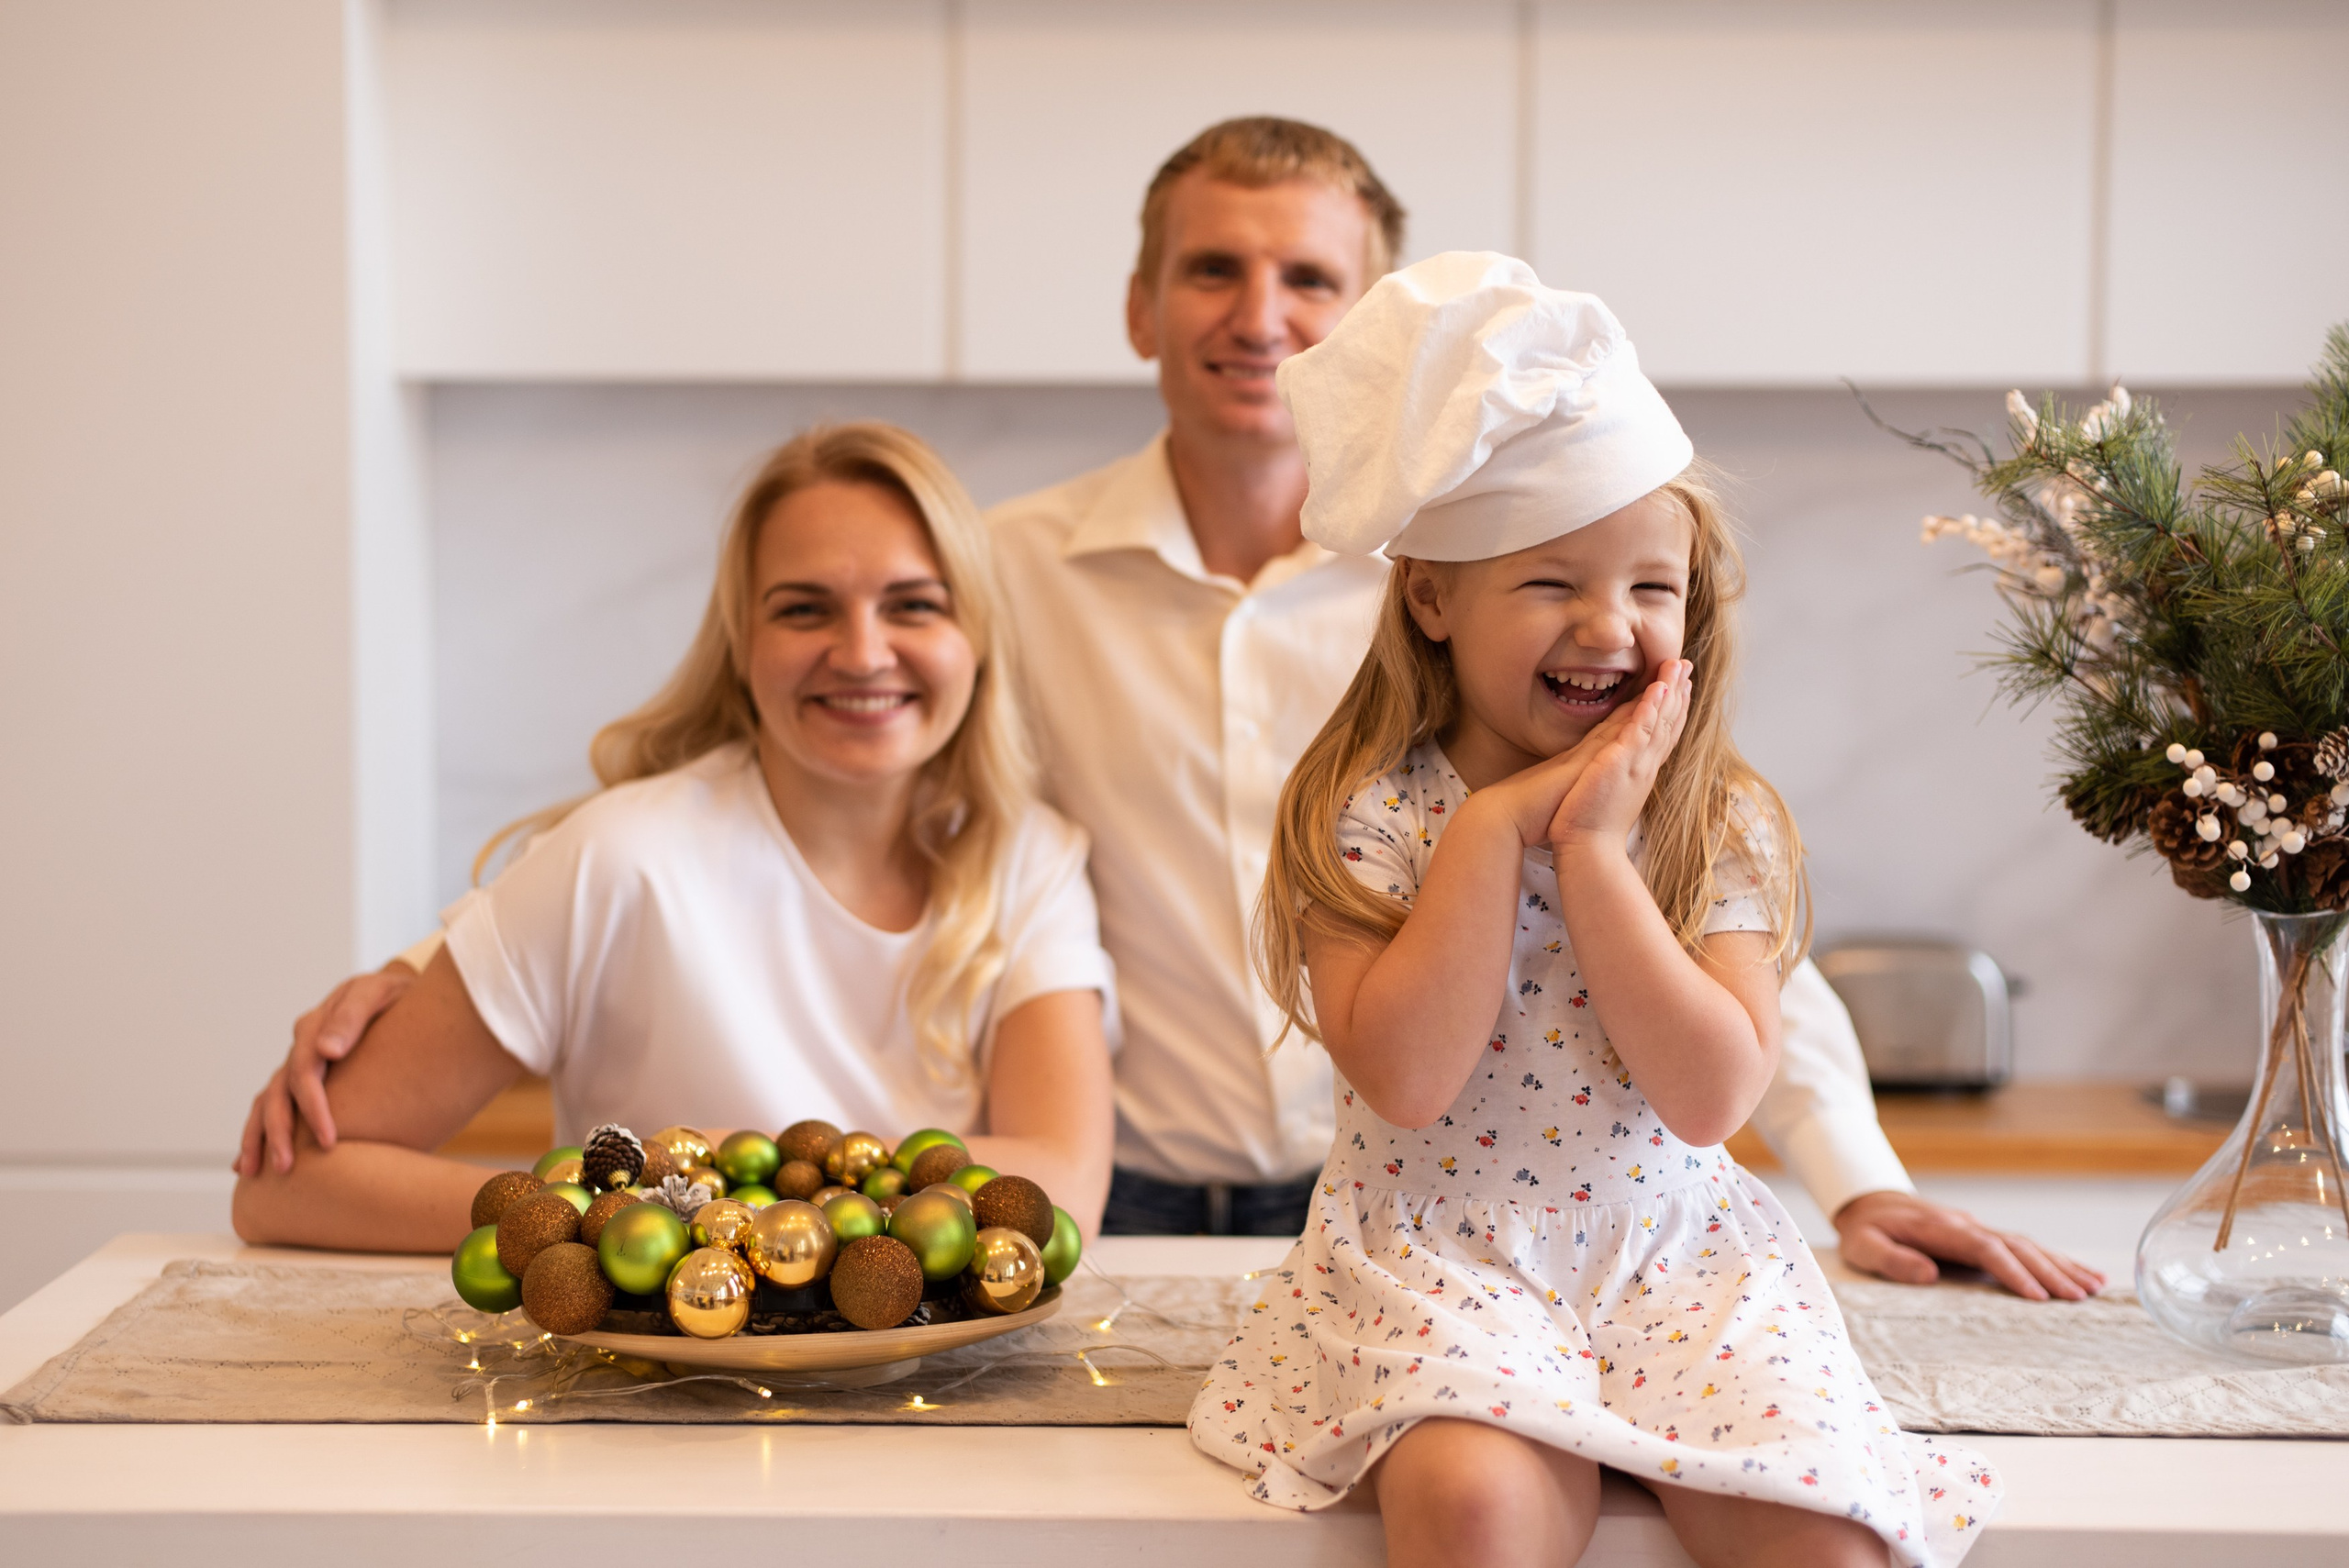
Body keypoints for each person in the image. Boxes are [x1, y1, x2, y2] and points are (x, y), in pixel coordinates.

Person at [244, 117, 2099, 1301]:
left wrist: (1854, 1175)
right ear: (1141, 298)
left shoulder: (1485, 610)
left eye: (1312, 276)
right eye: (1213, 264)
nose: (1261, 311)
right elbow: (794, 750)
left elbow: (1693, 863)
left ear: (1379, 333)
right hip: (1119, 1206)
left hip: (1422, 1207)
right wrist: (445, 964)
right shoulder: (1006, 580)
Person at [1189, 253, 1994, 1567]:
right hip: (1442, 1263)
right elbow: (1404, 1074)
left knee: (1826, 1529)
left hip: (1680, 1263)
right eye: (1552, 582)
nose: (1609, 625)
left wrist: (1600, 854)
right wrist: (1503, 831)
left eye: (1650, 588)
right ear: (1432, 598)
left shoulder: (1709, 817)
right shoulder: (1369, 814)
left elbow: (1711, 1097)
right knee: (1472, 1502)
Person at [232, 424, 1116, 1251]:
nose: (861, 653)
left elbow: (1064, 1183)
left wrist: (732, 1165)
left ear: (977, 639)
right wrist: (595, 1219)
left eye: (914, 605)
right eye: (804, 609)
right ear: (740, 641)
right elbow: (289, 1185)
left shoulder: (1029, 862)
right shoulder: (621, 857)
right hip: (637, 1406)